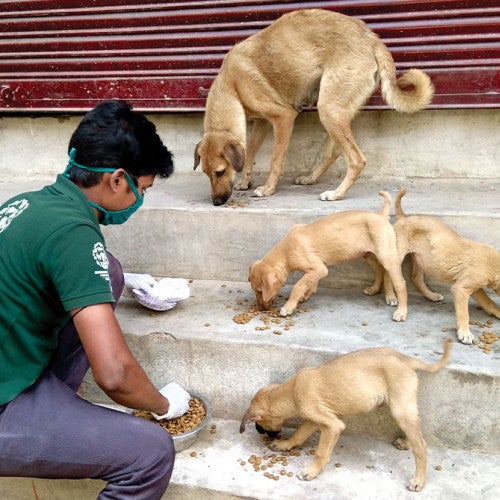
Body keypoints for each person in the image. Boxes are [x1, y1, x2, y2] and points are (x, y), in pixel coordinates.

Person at [0, 100, 185, 499]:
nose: (139, 200)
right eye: (143, 188)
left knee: (110, 271)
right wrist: (163, 405)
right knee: (150, 453)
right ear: (118, 179)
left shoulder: (25, 203)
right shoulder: (73, 232)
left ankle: (56, 400)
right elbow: (115, 375)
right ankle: (41, 414)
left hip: (9, 366)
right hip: (3, 403)